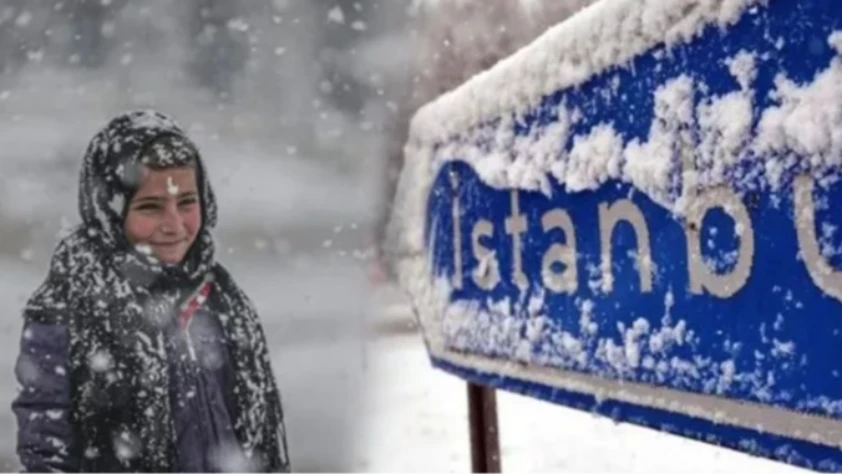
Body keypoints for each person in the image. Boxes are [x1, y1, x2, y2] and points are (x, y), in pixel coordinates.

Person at [11, 110, 291, 473]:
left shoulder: (220, 299)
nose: (174, 225)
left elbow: (253, 437)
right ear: (109, 211)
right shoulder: (67, 309)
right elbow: (46, 449)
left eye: (187, 203)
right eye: (150, 207)